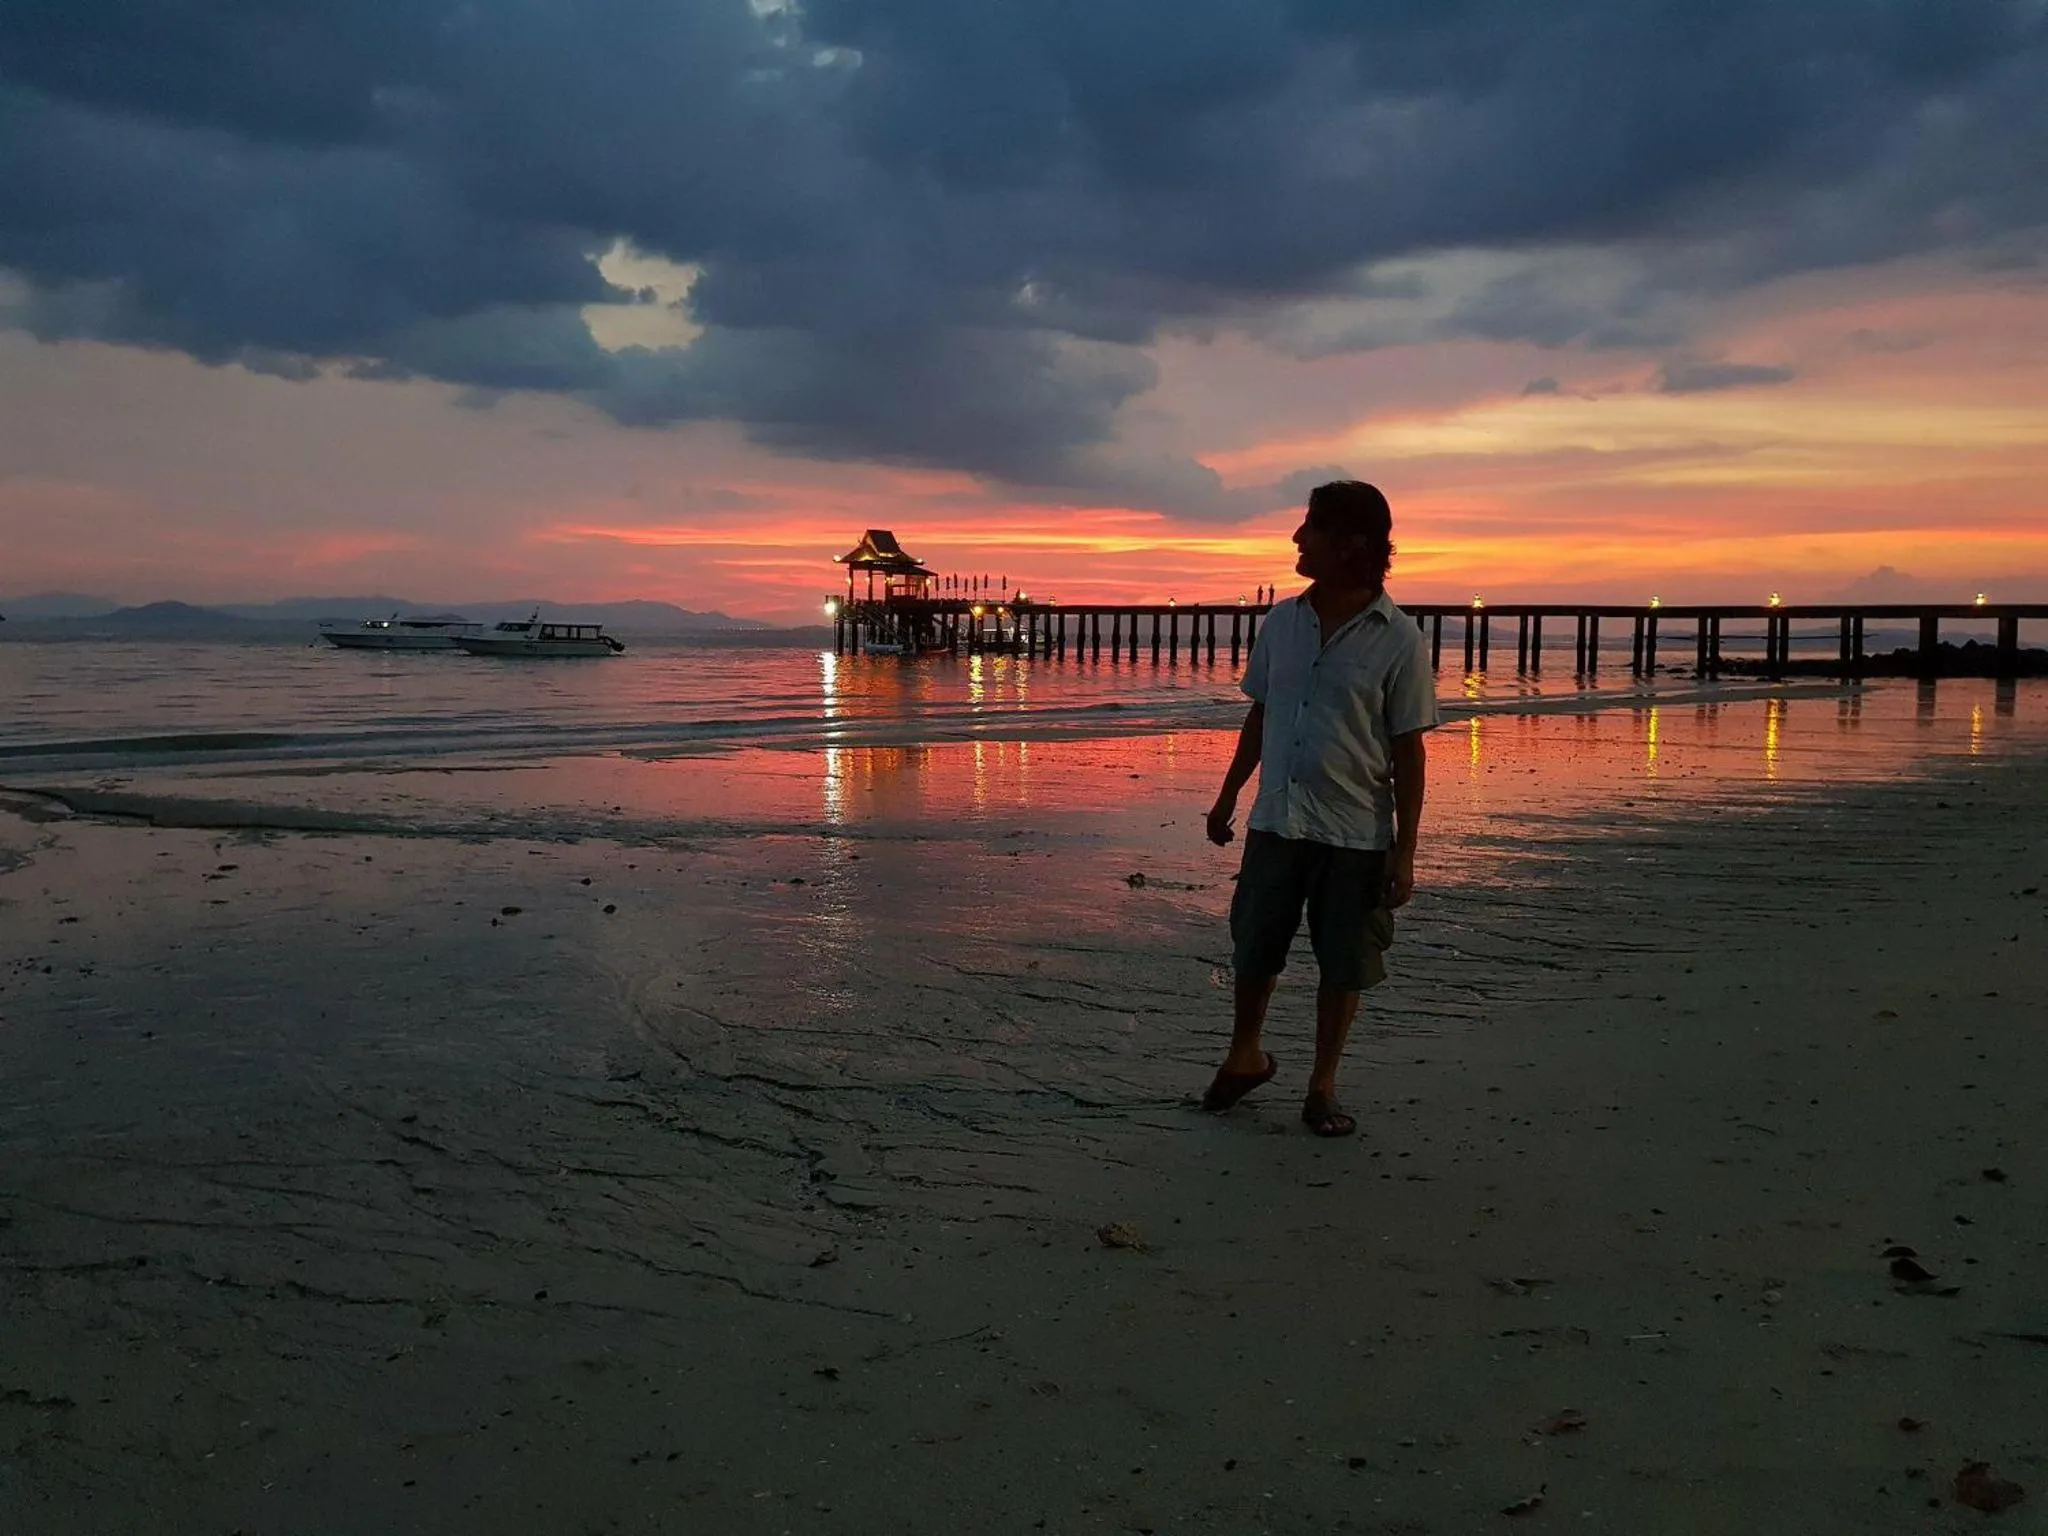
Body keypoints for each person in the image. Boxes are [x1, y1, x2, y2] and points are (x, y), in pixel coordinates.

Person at [1202, 480, 1438, 1137]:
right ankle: (1244, 1055)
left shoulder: (1397, 639)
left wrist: (1406, 849)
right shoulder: (1282, 621)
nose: (1296, 539)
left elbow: (1409, 751)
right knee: (1255, 942)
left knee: (1344, 960)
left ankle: (1322, 1085)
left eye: (1310, 528)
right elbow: (1262, 712)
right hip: (1277, 819)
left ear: (1350, 545)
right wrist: (1227, 796)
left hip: (1355, 832)